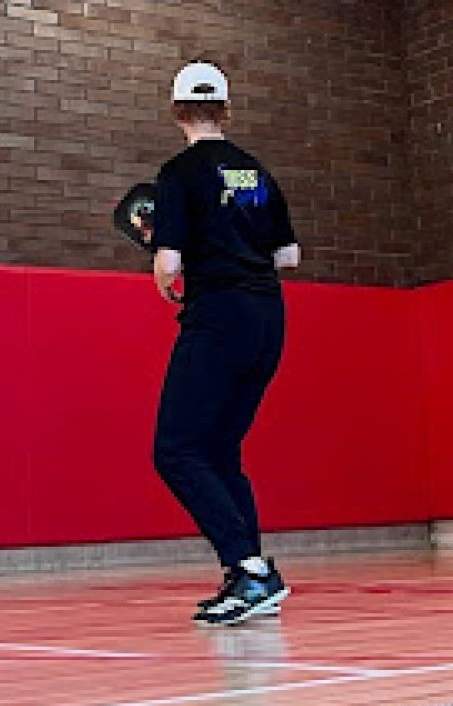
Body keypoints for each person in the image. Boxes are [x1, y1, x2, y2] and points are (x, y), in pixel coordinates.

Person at [151, 61, 301, 624]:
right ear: (227, 110)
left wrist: (169, 272)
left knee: (176, 451)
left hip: (217, 317)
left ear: (176, 112)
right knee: (220, 451)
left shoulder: (178, 174)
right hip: (268, 319)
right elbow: (288, 256)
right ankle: (248, 574)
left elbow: (169, 266)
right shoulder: (256, 174)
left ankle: (251, 570)